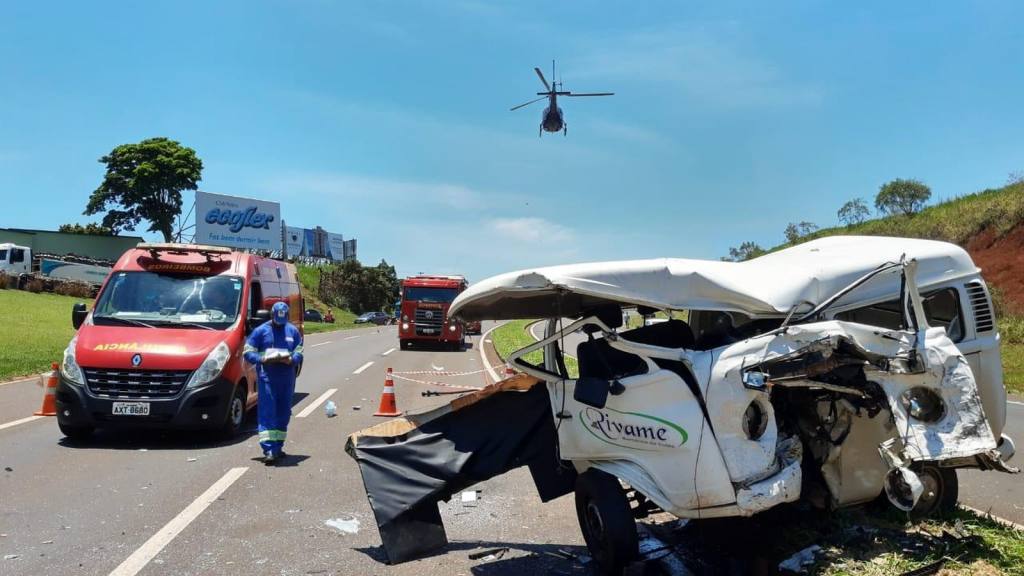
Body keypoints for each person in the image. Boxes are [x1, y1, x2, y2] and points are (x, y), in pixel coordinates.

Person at [244, 301, 303, 464]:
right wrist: (261, 358)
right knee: (268, 412)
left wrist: (292, 359)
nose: (279, 325)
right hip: (267, 378)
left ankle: (278, 447)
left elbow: (299, 351)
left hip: (287, 378)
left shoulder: (292, 331)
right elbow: (248, 351)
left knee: (283, 413)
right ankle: (269, 449)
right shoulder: (260, 331)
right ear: (272, 316)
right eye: (277, 321)